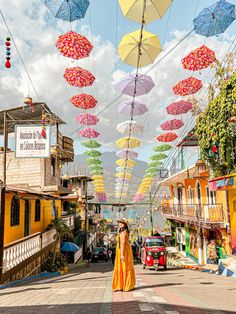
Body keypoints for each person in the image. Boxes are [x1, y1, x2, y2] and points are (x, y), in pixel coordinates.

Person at [112, 218, 136, 292]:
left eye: (121, 223)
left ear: (125, 225)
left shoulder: (123, 233)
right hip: (124, 250)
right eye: (119, 223)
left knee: (124, 267)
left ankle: (124, 285)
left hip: (123, 251)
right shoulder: (123, 232)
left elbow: (122, 244)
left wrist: (122, 254)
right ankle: (123, 285)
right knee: (124, 267)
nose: (120, 224)